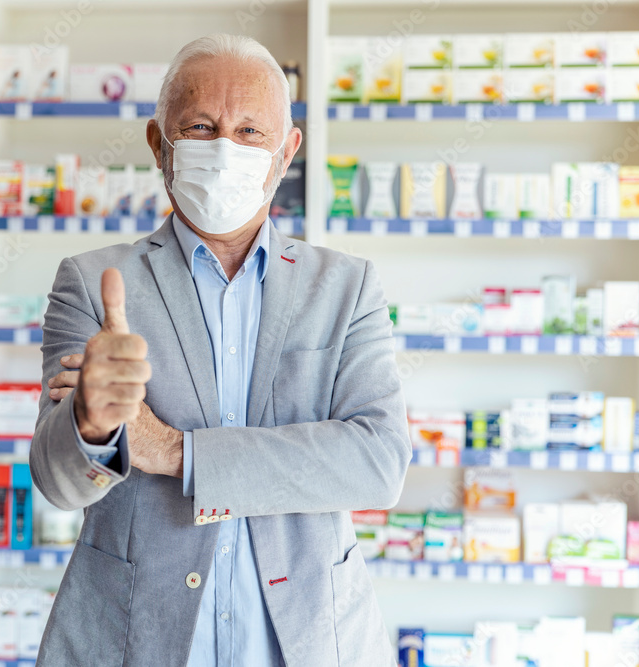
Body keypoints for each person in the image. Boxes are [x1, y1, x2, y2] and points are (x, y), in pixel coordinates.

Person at [30, 33, 412, 667]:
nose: (224, 149)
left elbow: (378, 461)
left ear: (286, 152)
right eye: (201, 127)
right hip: (136, 640)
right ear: (160, 145)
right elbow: (58, 484)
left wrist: (175, 450)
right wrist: (92, 425)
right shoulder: (95, 284)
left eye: (249, 132)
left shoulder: (345, 287)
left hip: (309, 639)